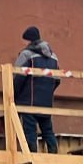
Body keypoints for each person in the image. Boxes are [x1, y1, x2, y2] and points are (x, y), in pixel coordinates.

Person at [14, 26, 60, 154]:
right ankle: (53, 153)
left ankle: (31, 156)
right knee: (47, 130)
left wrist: (15, 95)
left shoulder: (26, 55)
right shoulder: (54, 57)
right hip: (46, 102)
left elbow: (17, 77)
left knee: (30, 131)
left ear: (29, 40)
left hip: (28, 101)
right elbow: (57, 80)